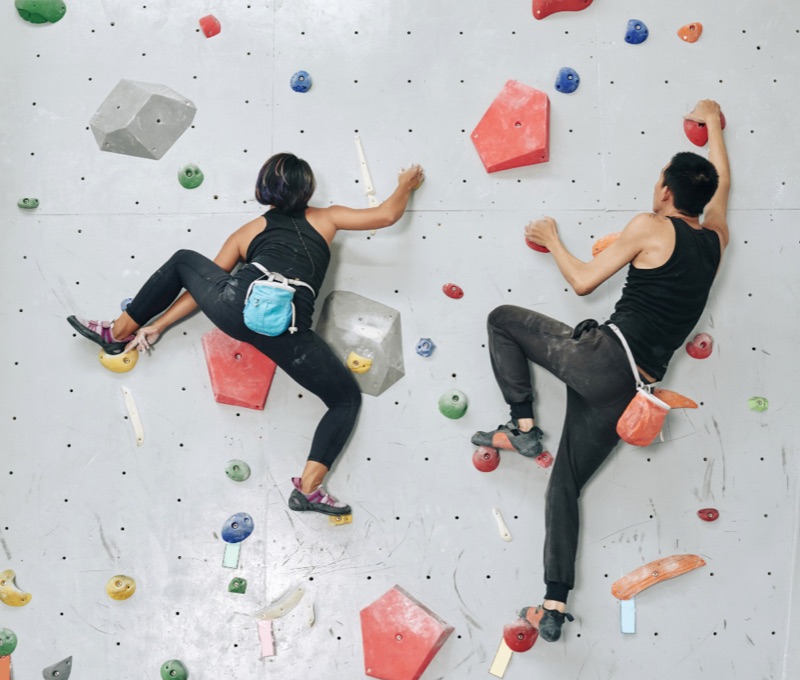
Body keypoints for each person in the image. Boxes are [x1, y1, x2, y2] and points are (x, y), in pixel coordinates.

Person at [471, 100, 730, 641]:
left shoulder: (651, 226)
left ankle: (521, 427)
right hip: (634, 392)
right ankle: (553, 604)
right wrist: (715, 131)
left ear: (665, 192)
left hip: (602, 358)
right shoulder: (715, 242)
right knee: (564, 486)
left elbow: (586, 281)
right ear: (700, 200)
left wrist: (550, 239)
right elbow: (722, 186)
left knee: (501, 319)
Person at [68, 153, 425, 516]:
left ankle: (117, 332)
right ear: (309, 188)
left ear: (262, 188)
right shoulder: (328, 217)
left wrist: (158, 324)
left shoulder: (248, 231)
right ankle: (309, 489)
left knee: (182, 260)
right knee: (344, 399)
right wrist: (404, 185)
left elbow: (198, 287)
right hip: (287, 332)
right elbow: (386, 215)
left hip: (233, 311)